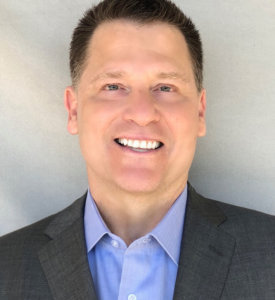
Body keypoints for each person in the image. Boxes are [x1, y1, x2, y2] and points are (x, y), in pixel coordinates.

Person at [0, 0, 274, 299]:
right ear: (74, 110)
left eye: (166, 87)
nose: (142, 112)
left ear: (199, 112)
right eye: (114, 86)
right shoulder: (5, 268)